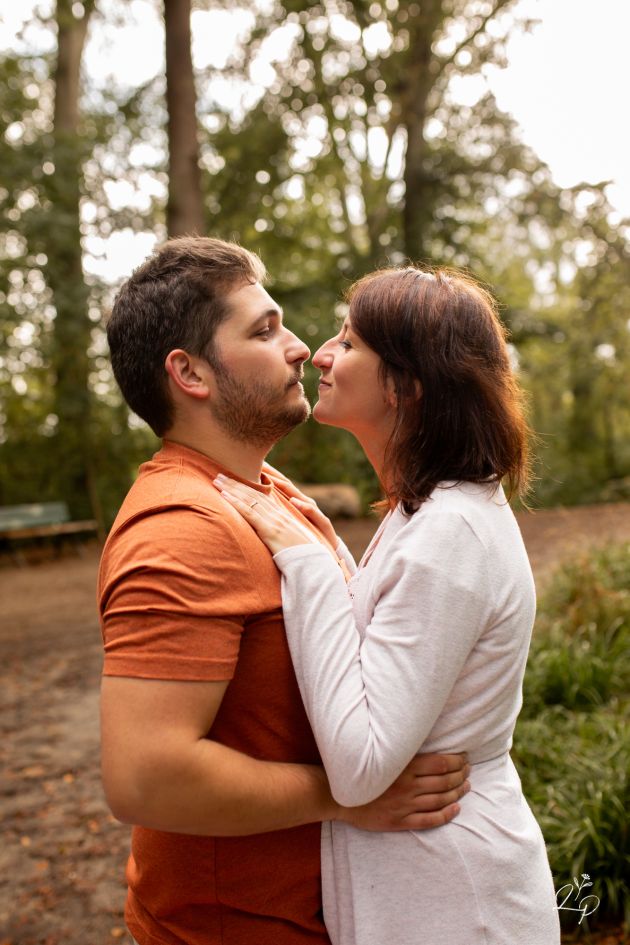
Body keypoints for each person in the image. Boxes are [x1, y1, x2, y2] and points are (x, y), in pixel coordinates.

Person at [98, 238, 470, 945]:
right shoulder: (180, 527)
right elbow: (145, 776)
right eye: (263, 331)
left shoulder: (270, 493)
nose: (301, 347)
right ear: (191, 372)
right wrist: (350, 796)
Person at [218, 267, 562, 945]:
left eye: (348, 343)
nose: (319, 353)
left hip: (456, 898)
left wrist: (312, 565)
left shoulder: (449, 534)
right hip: (426, 886)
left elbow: (361, 765)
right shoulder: (428, 515)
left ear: (405, 384)